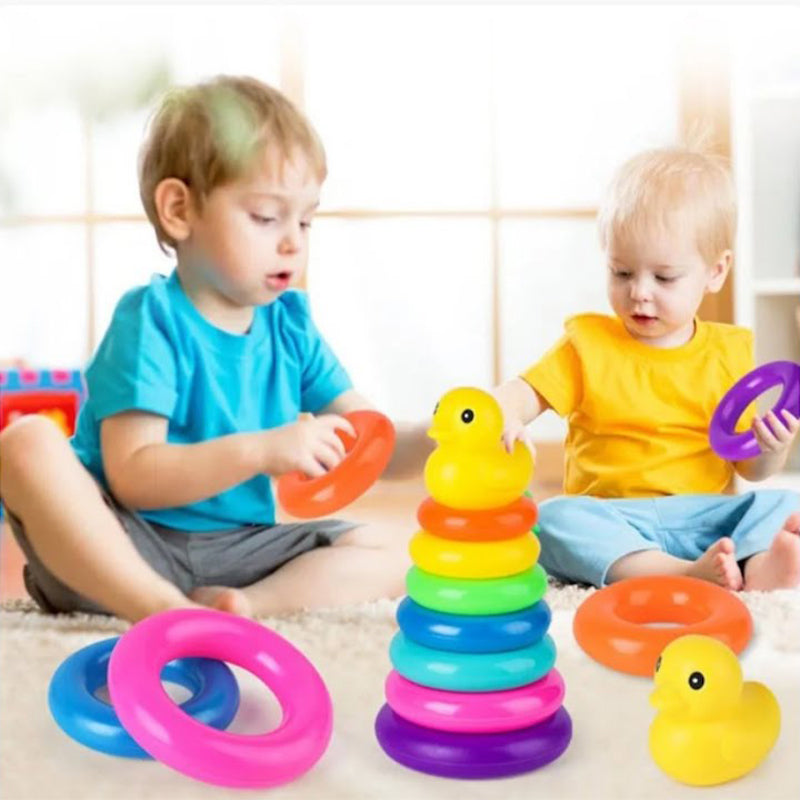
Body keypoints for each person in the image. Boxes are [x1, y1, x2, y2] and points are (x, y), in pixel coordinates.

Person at [0, 76, 431, 622]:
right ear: (180, 210)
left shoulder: (291, 328)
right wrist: (263, 450)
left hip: (239, 551)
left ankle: (239, 608)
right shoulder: (150, 321)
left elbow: (371, 443)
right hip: (121, 545)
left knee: (398, 550)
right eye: (266, 217)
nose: (293, 241)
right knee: (27, 442)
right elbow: (137, 477)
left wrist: (446, 439)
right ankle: (154, 608)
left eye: (305, 219)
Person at [494, 145, 800, 591]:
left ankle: (757, 569)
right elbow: (523, 392)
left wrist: (771, 449)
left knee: (783, 503)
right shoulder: (587, 344)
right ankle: (681, 574)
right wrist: (503, 411)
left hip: (705, 515)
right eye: (621, 273)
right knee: (553, 519)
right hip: (612, 516)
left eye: (664, 277)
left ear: (715, 272)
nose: (639, 292)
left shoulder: (729, 351)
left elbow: (750, 470)